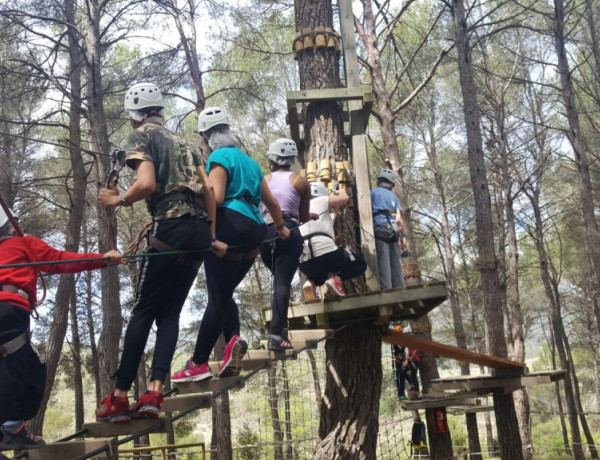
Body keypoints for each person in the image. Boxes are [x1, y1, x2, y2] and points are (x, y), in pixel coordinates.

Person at [96, 83, 225, 422]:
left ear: (134, 116)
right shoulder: (183, 141)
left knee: (144, 312)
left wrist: (118, 199)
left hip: (171, 226)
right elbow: (209, 189)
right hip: (198, 231)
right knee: (169, 314)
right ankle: (154, 392)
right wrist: (210, 236)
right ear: (159, 110)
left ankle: (120, 396)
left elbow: (148, 183)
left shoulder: (140, 136)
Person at [171, 106, 289, 382]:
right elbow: (271, 203)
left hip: (231, 226)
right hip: (256, 230)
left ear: (206, 136)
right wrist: (281, 227)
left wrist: (210, 235)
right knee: (223, 292)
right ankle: (233, 339)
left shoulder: (219, 156)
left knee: (217, 297)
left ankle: (198, 362)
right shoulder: (250, 162)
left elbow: (217, 197)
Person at [0, 206, 123, 450]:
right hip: (9, 312)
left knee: (26, 371)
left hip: (11, 313)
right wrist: (102, 259)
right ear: (9, 225)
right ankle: (10, 428)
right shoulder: (23, 244)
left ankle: (12, 427)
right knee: (20, 377)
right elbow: (59, 261)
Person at [258, 138, 311, 350]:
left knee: (279, 281)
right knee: (282, 283)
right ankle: (277, 335)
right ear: (291, 160)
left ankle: (279, 331)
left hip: (264, 232)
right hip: (289, 230)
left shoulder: (263, 179)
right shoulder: (300, 181)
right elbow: (304, 217)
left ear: (272, 159)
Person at [299, 182, 367, 300]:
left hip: (305, 265)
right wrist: (341, 191)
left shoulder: (300, 209)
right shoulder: (321, 200)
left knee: (322, 274)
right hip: (328, 257)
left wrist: (334, 213)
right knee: (361, 263)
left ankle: (310, 282)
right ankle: (337, 280)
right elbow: (344, 198)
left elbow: (324, 226)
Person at [370, 169, 407, 290]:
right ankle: (399, 290)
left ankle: (387, 292)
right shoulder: (394, 197)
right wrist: (404, 239)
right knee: (396, 263)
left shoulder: (373, 193)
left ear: (379, 181)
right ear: (391, 184)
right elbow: (399, 220)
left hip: (380, 228)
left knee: (384, 263)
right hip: (394, 231)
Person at [392, 326, 421, 400]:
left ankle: (416, 391)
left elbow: (416, 349)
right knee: (402, 374)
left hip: (413, 360)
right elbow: (409, 352)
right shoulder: (395, 343)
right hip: (405, 361)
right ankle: (410, 388)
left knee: (412, 375)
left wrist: (408, 359)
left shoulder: (409, 340)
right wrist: (406, 359)